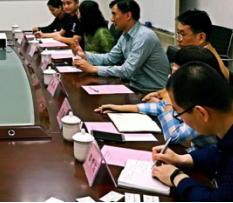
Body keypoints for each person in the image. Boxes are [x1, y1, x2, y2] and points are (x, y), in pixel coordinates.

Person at [151, 62, 233, 202]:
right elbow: (219, 153)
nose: (179, 118)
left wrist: (176, 177)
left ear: (202, 113)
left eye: (178, 113)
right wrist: (181, 159)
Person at [95, 46, 223, 151]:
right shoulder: (192, 95)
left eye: (175, 74)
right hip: (191, 156)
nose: (170, 77)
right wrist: (120, 108)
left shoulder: (205, 107)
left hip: (204, 166)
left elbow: (173, 136)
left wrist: (169, 97)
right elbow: (160, 107)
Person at [73, 0, 170, 93]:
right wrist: (86, 56)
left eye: (114, 14)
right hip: (135, 86)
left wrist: (93, 69)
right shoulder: (125, 35)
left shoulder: (144, 37)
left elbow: (127, 71)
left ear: (128, 15)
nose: (111, 19)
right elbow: (110, 58)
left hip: (152, 92)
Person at [176, 9, 229, 81]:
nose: (178, 39)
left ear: (201, 37)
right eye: (178, 34)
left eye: (182, 34)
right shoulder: (194, 54)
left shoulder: (206, 65)